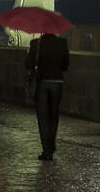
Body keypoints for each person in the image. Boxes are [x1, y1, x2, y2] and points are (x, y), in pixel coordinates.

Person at [27, 31, 70, 161]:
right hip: (57, 83)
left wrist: (29, 54)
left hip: (43, 83)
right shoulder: (62, 43)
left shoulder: (36, 43)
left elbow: (28, 65)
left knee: (43, 118)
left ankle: (47, 150)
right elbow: (65, 65)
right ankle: (51, 147)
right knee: (53, 116)